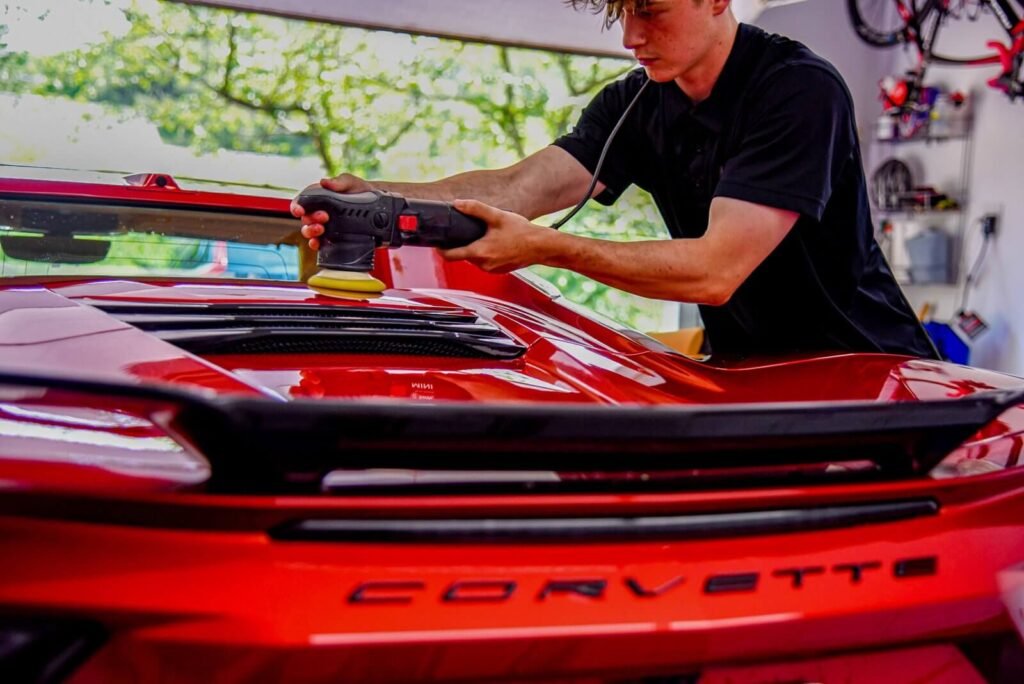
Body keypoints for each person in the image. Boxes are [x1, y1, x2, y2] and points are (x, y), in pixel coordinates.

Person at [293, 0, 938, 359]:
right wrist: (379, 197)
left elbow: (716, 272)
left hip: (867, 368)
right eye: (622, 12)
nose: (631, 35)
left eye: (651, 11)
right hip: (751, 375)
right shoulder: (636, 101)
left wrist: (547, 249)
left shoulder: (796, 90)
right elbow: (521, 187)